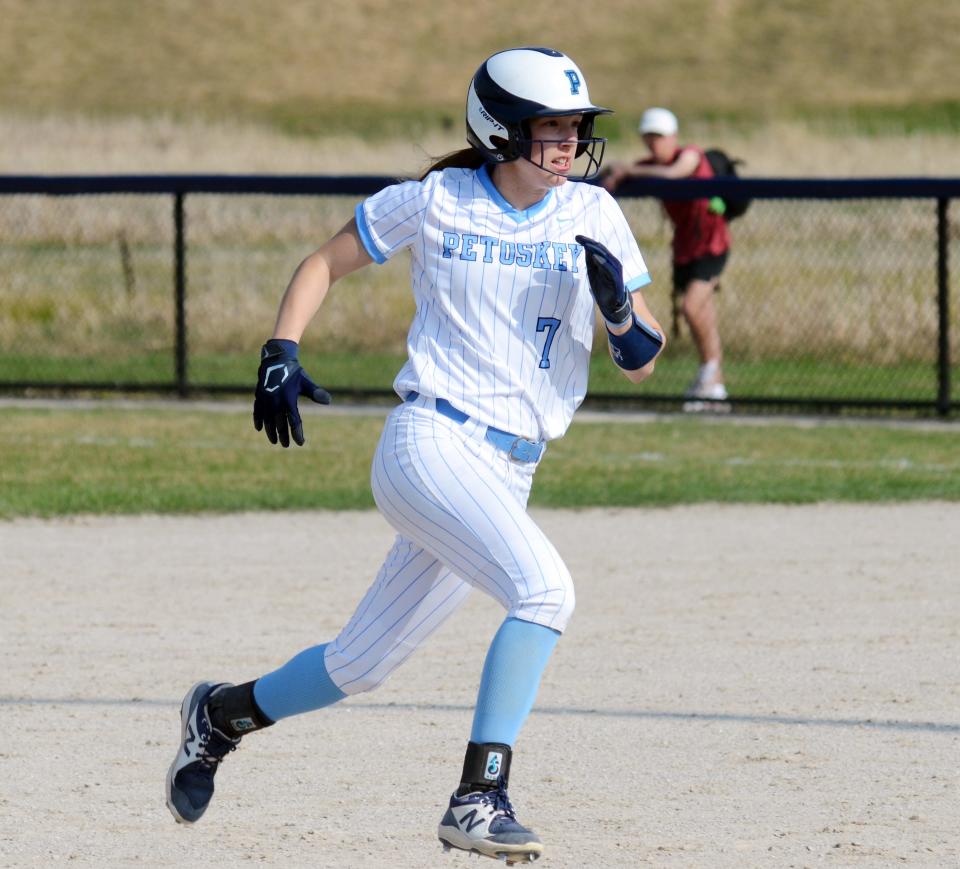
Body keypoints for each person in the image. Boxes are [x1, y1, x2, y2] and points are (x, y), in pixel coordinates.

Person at [165, 47, 665, 865]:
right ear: (501, 129)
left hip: (509, 470)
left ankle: (220, 714)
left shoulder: (596, 214)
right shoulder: (437, 200)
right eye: (551, 126)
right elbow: (325, 262)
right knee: (545, 591)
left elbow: (642, 357)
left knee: (358, 664)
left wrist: (618, 313)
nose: (570, 140)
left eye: (577, 125)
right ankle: (480, 794)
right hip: (430, 442)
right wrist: (281, 345)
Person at [601, 107, 730, 404]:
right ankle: (712, 378)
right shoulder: (647, 166)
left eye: (658, 137)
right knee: (701, 311)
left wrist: (629, 170)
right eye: (648, 138)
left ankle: (711, 376)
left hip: (711, 244)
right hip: (685, 248)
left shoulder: (691, 156)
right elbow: (623, 174)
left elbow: (675, 174)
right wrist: (616, 173)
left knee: (692, 307)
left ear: (673, 136)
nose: (653, 144)